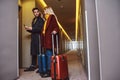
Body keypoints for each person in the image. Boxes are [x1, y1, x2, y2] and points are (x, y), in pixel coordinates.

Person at [41, 7, 59, 77]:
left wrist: (55, 30)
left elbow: (56, 26)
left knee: (49, 55)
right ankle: (48, 70)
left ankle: (50, 71)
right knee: (48, 55)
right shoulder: (46, 19)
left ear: (48, 10)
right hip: (46, 39)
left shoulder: (51, 17)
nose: (44, 12)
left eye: (44, 10)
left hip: (49, 39)